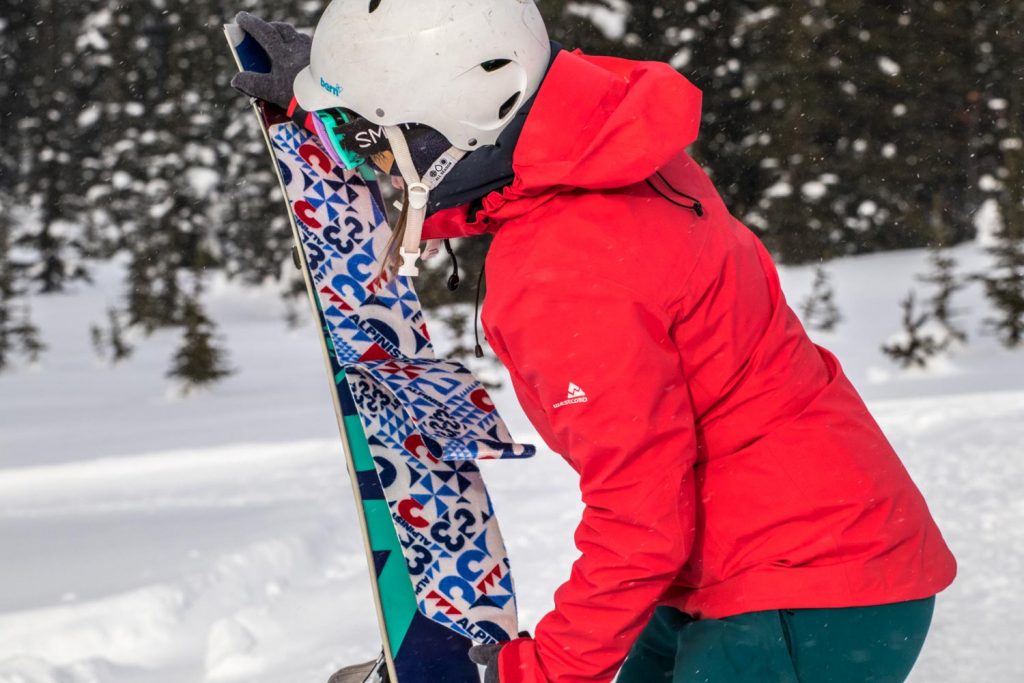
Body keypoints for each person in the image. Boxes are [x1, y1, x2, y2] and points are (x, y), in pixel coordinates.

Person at [231, 2, 957, 682]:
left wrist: (531, 671)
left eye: (361, 142)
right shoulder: (607, 142)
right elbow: (497, 165)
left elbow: (638, 521)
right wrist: (329, 88)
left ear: (452, 129)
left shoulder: (563, 277)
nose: (361, 168)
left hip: (800, 589)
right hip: (772, 554)